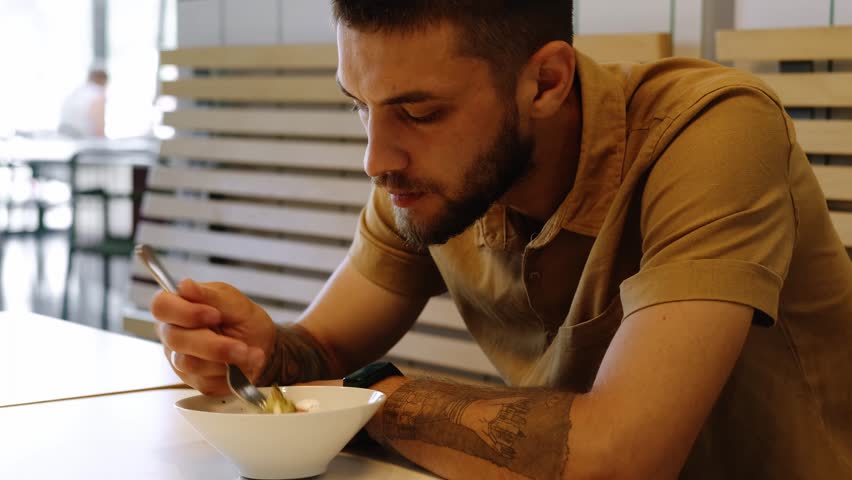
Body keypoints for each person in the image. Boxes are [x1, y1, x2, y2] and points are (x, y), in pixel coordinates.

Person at [151, 1, 852, 479]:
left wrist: (368, 397)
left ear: (545, 81)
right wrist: (260, 352)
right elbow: (322, 351)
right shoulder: (422, 178)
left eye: (420, 111)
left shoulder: (712, 130)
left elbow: (622, 458)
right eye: (360, 107)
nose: (377, 158)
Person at [58, 63, 108, 138]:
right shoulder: (97, 94)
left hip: (64, 139)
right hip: (84, 143)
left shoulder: (76, 92)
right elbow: (99, 129)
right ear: (104, 80)